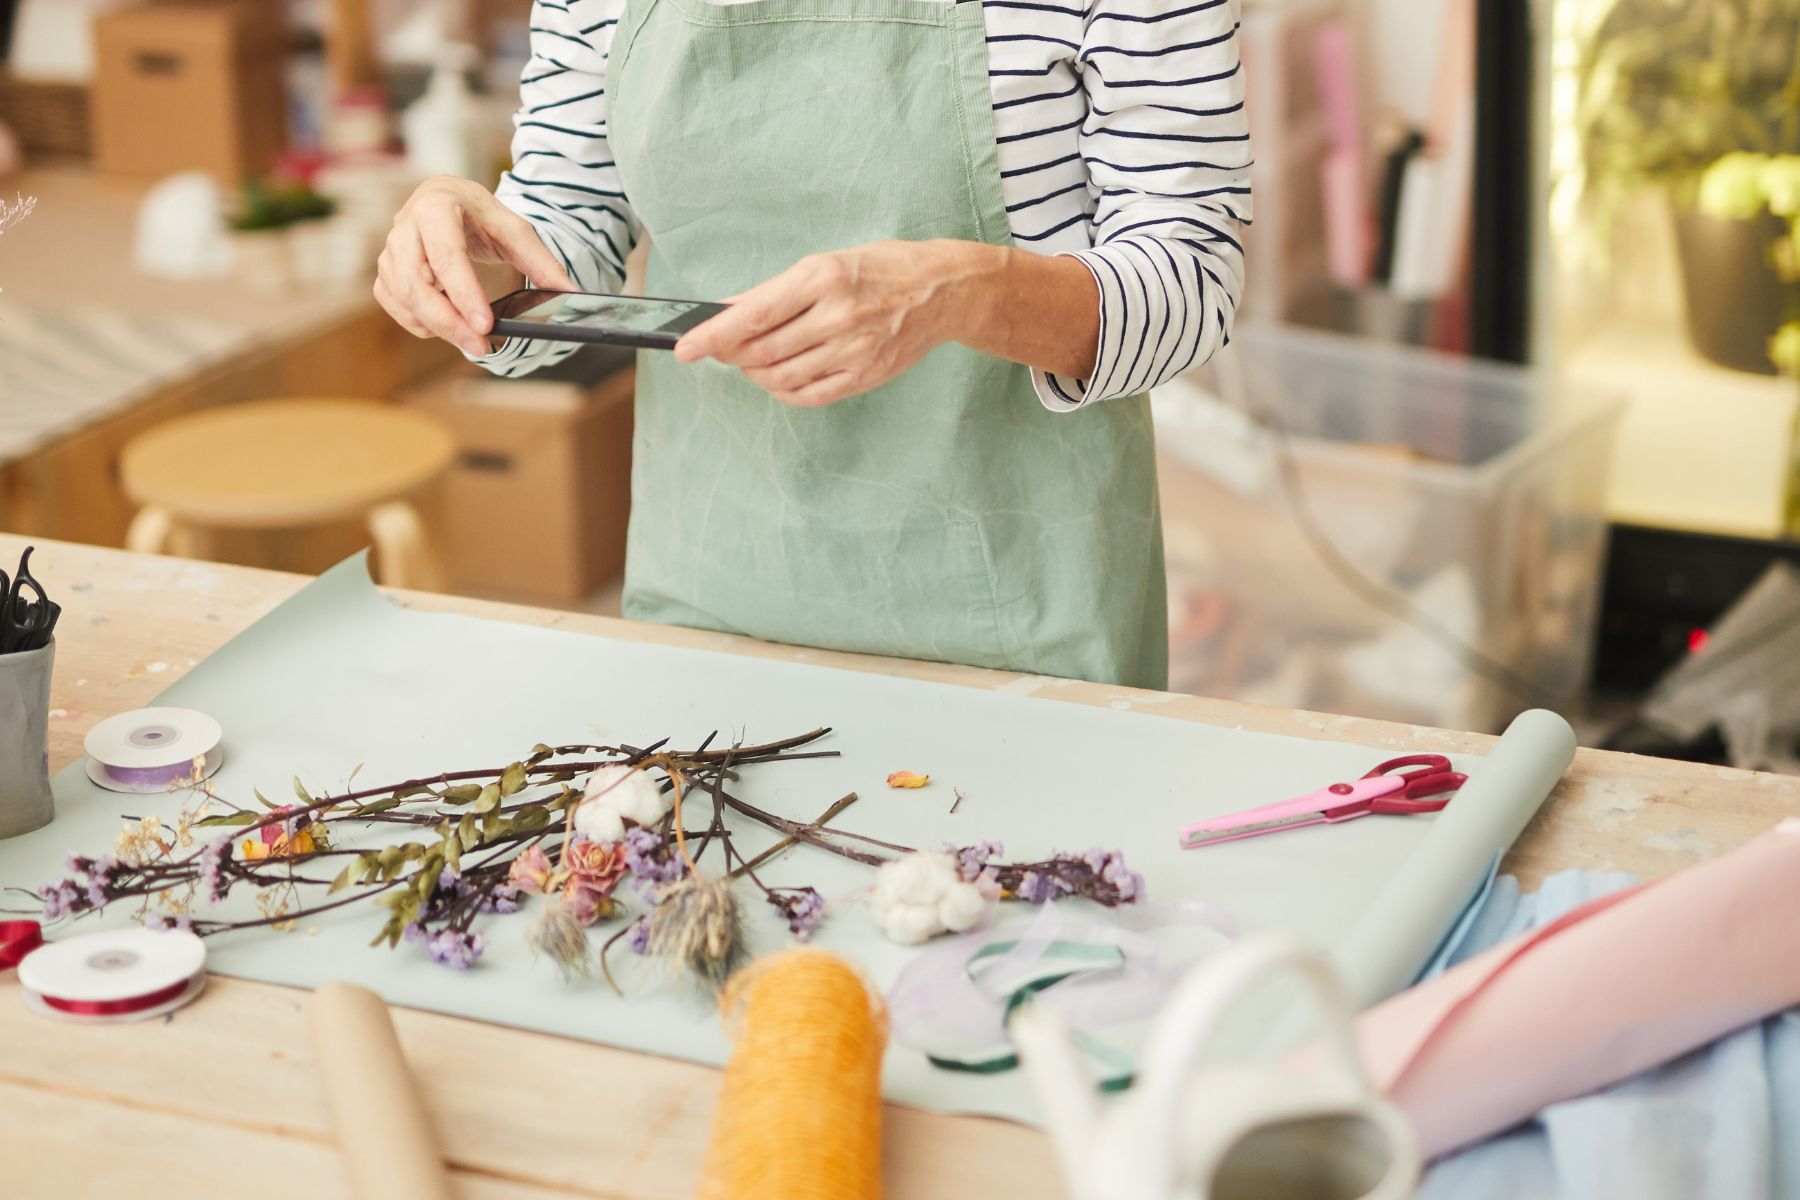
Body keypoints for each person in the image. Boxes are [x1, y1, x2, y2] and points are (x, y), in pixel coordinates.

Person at [374, 0, 1251, 690]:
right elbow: (567, 230)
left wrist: (969, 291)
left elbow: (1195, 276)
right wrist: (470, 263)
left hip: (1025, 625)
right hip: (710, 602)